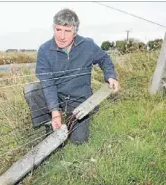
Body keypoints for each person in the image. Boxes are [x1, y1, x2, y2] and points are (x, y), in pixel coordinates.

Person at [24, 8, 119, 144]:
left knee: (79, 141)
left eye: (67, 31)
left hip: (79, 99)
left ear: (75, 32)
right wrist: (55, 112)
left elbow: (104, 58)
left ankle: (72, 118)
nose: (61, 36)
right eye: (58, 30)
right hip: (56, 95)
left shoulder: (87, 45)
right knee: (32, 90)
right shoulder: (44, 50)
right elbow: (48, 83)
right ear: (54, 28)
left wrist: (111, 76)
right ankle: (50, 124)